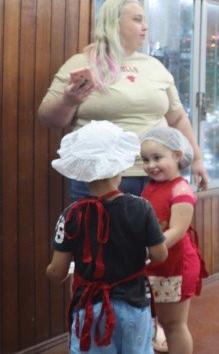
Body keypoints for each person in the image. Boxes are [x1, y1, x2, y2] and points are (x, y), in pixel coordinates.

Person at [38, 0, 209, 201]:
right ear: (114, 24)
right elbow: (47, 118)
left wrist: (197, 159)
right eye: (137, 20)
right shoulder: (80, 63)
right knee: (99, 233)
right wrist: (69, 101)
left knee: (156, 234)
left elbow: (178, 118)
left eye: (145, 20)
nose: (145, 27)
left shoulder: (154, 66)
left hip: (156, 174)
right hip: (100, 176)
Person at [46, 120, 167, 353]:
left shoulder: (71, 214)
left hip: (91, 309)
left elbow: (57, 272)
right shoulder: (142, 207)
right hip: (134, 307)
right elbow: (160, 255)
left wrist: (49, 271)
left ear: (81, 172)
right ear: (120, 167)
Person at [141, 127, 208, 354]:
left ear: (177, 156)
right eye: (145, 160)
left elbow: (177, 231)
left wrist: (145, 250)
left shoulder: (180, 189)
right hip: (156, 262)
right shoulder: (152, 185)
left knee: (174, 325)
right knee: (160, 320)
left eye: (157, 158)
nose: (151, 165)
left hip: (175, 265)